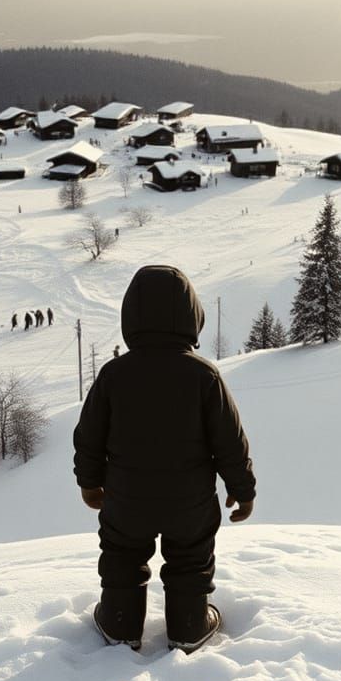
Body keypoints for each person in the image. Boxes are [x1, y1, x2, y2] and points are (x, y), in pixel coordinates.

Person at [74, 265, 256, 654]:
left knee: (122, 557)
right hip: (189, 502)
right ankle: (189, 626)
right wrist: (243, 489)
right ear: (192, 316)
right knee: (190, 561)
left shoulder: (113, 375)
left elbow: (88, 436)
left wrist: (90, 483)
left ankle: (120, 623)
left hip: (126, 499)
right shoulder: (204, 376)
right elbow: (230, 441)